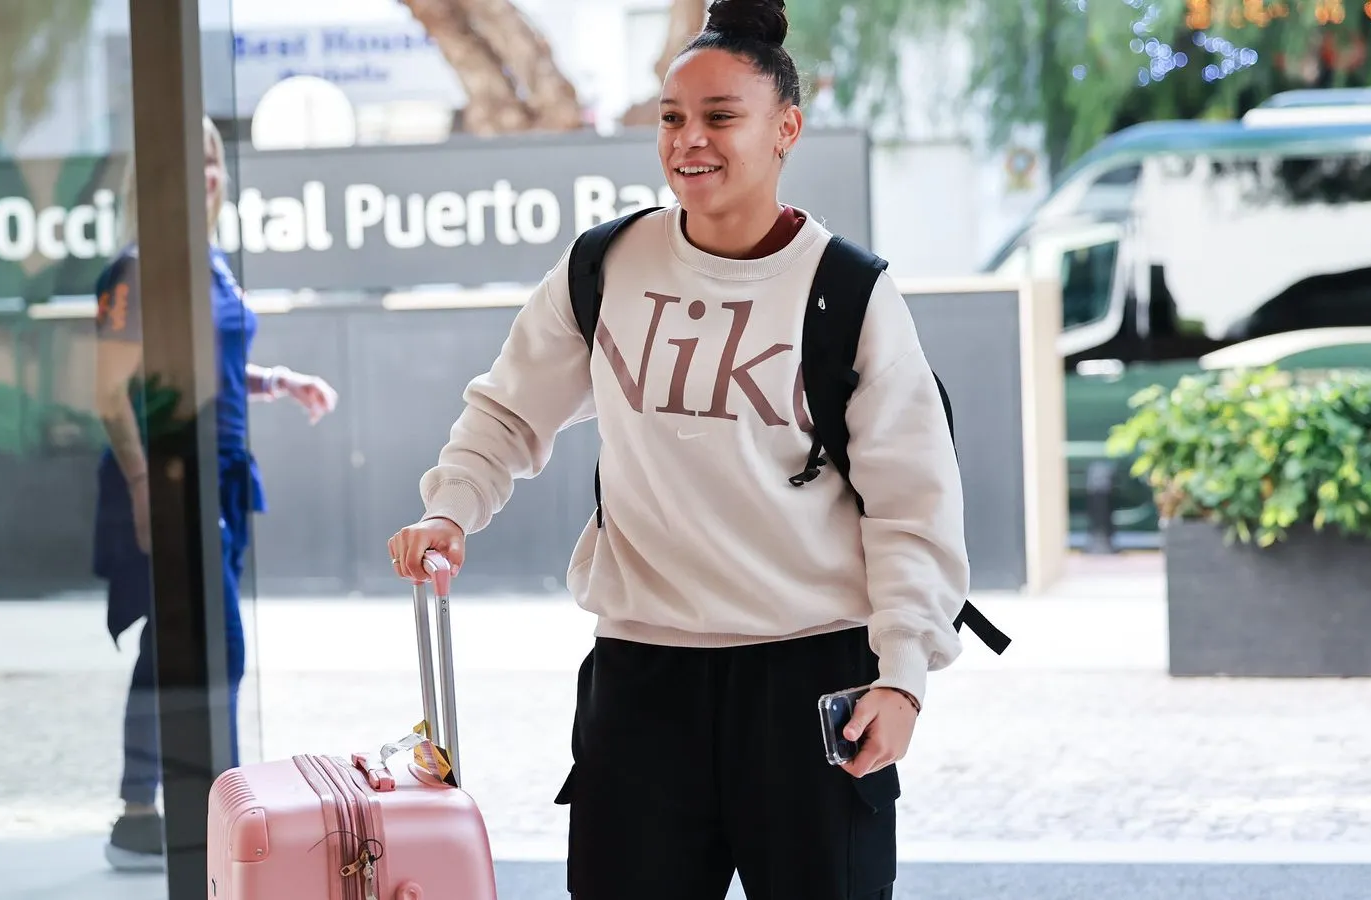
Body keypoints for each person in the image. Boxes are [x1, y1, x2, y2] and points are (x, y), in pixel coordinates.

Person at [387, 1, 967, 896]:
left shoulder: (847, 293)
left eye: (720, 117)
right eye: (671, 117)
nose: (689, 139)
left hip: (811, 676)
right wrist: (449, 509)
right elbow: (507, 411)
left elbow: (911, 503)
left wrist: (902, 677)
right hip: (642, 679)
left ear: (785, 129)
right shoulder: (605, 266)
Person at [93, 116, 338, 871]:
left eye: (211, 159)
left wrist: (277, 382)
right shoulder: (134, 270)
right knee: (218, 646)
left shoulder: (212, 262)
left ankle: (140, 814)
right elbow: (109, 393)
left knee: (171, 644)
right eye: (186, 161)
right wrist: (142, 485)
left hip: (223, 476)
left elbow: (218, 364)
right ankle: (213, 818)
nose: (204, 172)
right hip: (167, 477)